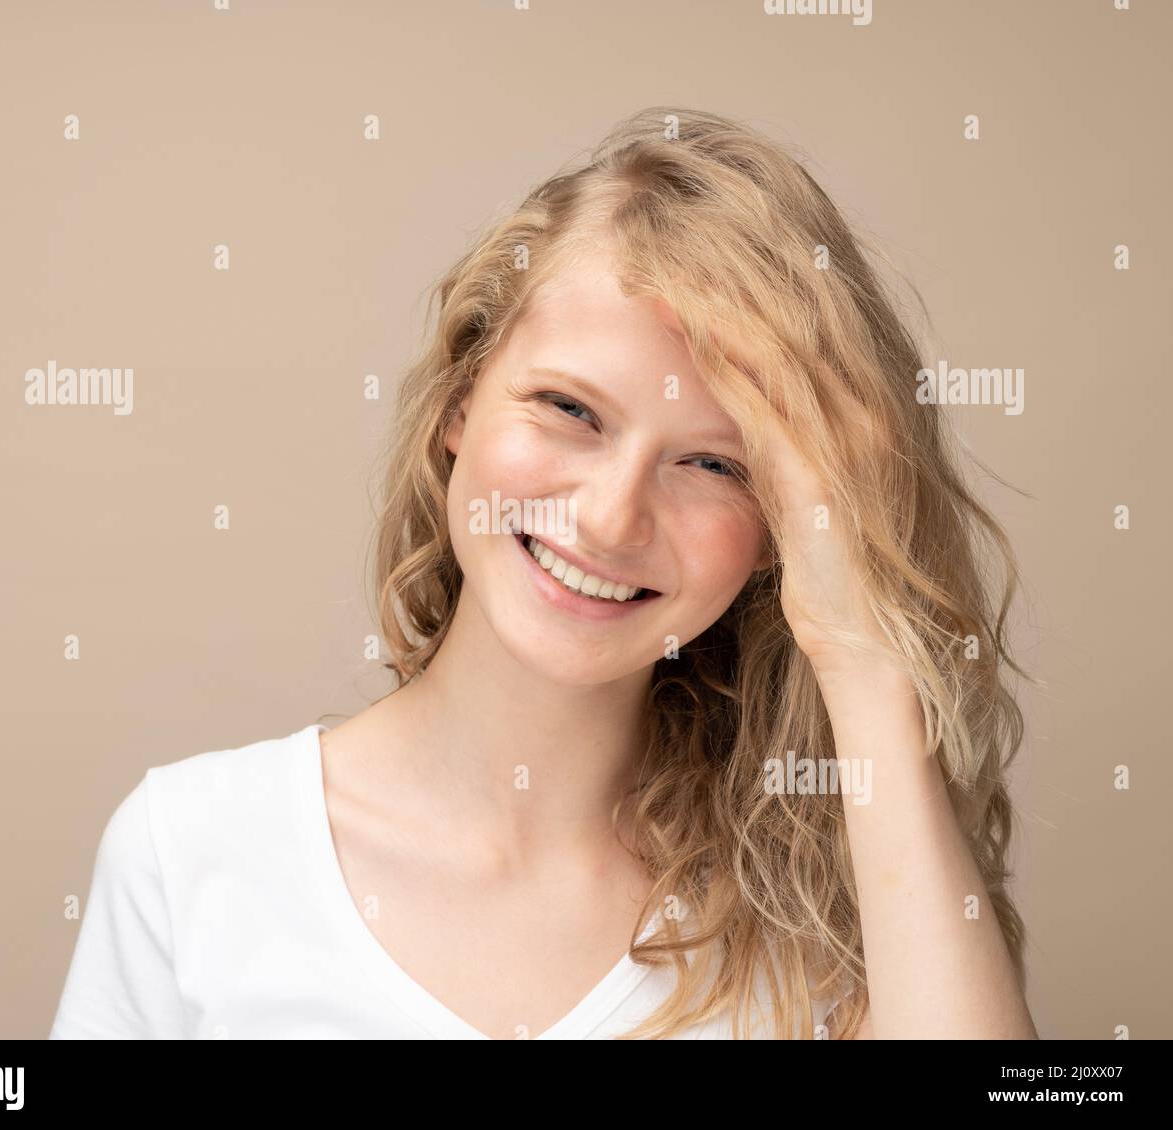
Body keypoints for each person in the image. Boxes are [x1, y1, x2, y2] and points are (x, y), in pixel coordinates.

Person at [50, 107, 1038, 1040]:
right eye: (570, 409)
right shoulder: (189, 854)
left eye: (714, 463)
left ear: (781, 531)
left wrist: (862, 658)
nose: (610, 516)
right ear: (458, 401)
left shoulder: (836, 908)